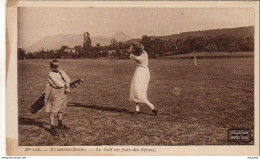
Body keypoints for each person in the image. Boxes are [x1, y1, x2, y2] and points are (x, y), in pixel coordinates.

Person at [129, 43, 157, 116]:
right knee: (136, 91)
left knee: (138, 92)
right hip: (143, 72)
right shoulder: (144, 53)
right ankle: (137, 110)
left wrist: (131, 52)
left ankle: (152, 107)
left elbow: (132, 55)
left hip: (141, 73)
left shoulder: (137, 57)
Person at [45, 59, 71, 135]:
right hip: (54, 95)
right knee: (53, 111)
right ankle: (52, 127)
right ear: (53, 68)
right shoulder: (51, 75)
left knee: (61, 109)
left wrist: (67, 85)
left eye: (60, 66)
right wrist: (66, 85)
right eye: (58, 67)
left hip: (62, 94)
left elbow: (68, 79)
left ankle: (60, 124)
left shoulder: (61, 72)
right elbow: (58, 84)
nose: (60, 68)